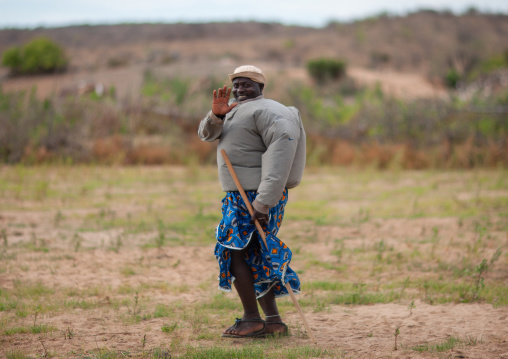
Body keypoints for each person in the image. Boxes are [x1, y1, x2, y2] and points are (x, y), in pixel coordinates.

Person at [198, 65, 306, 338]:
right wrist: (216, 116)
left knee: (234, 252)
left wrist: (263, 202)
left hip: (254, 196)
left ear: (261, 86)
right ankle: (272, 321)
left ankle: (251, 319)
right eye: (236, 84)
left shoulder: (270, 111)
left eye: (246, 84)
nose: (239, 89)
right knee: (254, 254)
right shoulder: (233, 109)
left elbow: (282, 154)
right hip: (242, 195)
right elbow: (205, 135)